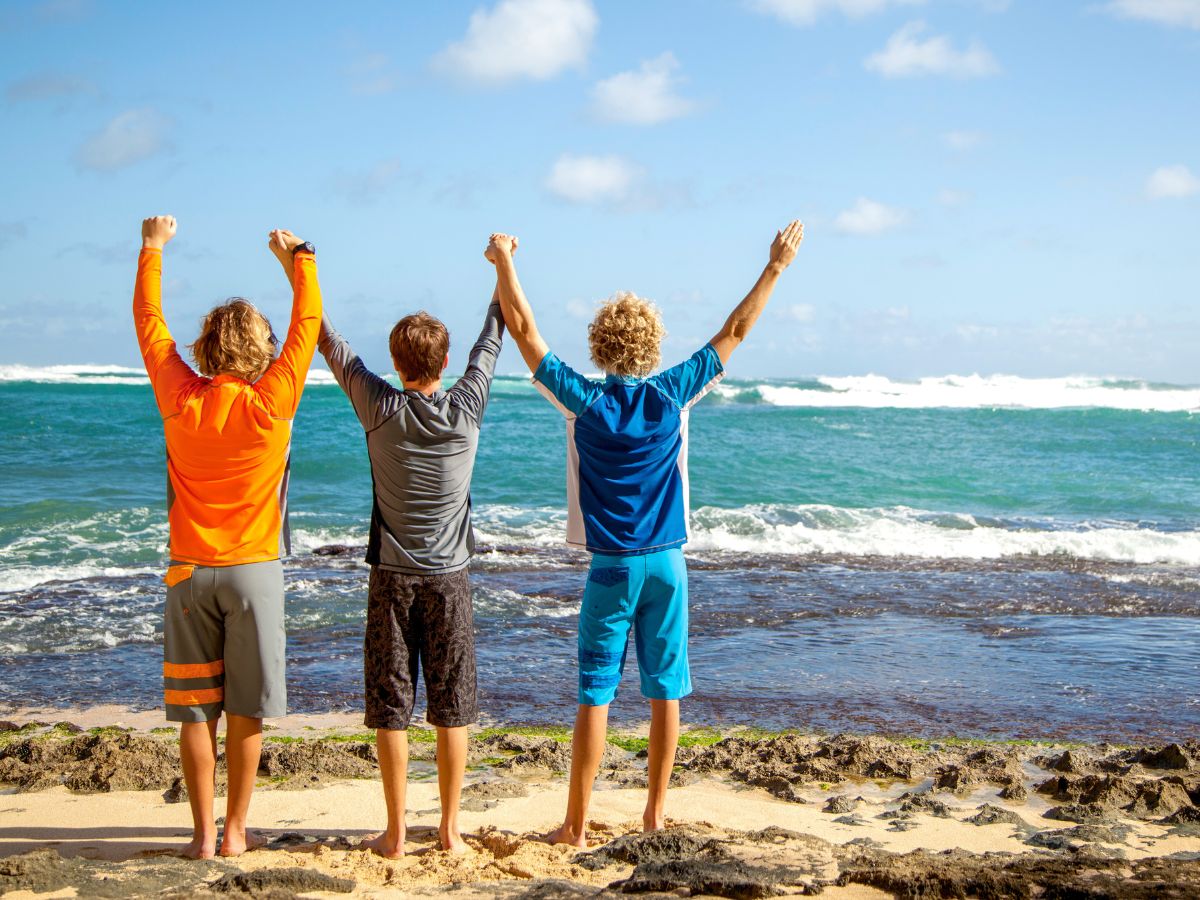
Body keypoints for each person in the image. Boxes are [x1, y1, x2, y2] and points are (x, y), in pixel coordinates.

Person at [485, 222, 804, 847]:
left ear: (600, 345)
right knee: (664, 692)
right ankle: (654, 814)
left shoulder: (581, 400)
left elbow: (522, 330)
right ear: (652, 345)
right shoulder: (673, 393)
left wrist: (503, 263)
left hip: (611, 567)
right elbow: (735, 331)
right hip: (667, 567)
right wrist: (776, 266)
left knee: (595, 696)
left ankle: (575, 826)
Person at [270, 245, 506, 858]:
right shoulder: (467, 406)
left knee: (393, 707)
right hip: (450, 579)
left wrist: (297, 268)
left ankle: (398, 832)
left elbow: (328, 341)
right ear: (445, 361)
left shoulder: (379, 406)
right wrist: (501, 265)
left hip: (392, 581)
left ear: (396, 362)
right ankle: (450, 830)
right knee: (453, 707)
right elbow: (494, 336)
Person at [132, 216, 322, 859]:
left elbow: (150, 327)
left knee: (195, 710)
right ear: (258, 350)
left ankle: (201, 836)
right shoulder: (275, 401)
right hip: (254, 572)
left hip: (187, 573)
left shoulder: (179, 397)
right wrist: (298, 258)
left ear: (209, 346)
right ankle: (238, 830)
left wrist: (152, 249)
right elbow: (307, 325)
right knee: (246, 709)